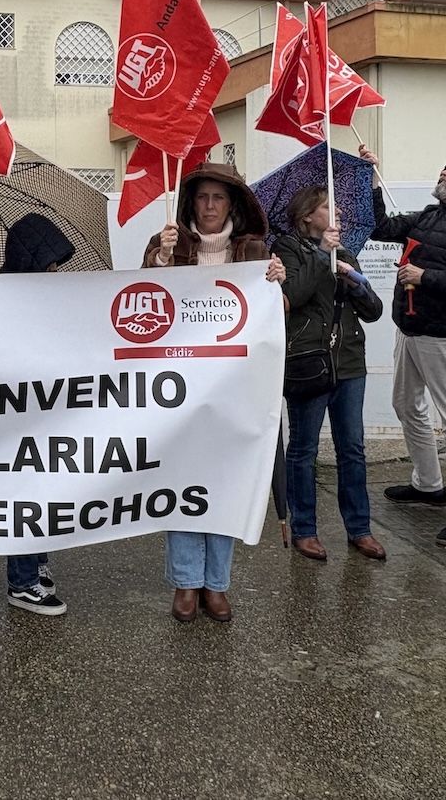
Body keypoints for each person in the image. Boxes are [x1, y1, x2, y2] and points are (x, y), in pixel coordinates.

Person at [142, 164, 286, 623]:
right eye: (202, 197)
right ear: (190, 203)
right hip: (179, 391)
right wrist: (160, 264)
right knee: (183, 482)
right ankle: (185, 583)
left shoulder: (255, 251)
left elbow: (275, 318)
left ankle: (216, 584)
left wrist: (276, 286)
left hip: (235, 390)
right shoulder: (165, 244)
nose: (208, 206)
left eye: (218, 199)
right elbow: (141, 304)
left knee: (225, 484)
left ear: (232, 205)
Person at [360, 148, 446, 547]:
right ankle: (428, 485)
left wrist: (425, 276)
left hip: (445, 335)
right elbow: (381, 227)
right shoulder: (428, 215)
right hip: (409, 328)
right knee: (407, 407)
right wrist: (373, 178)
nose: (444, 171)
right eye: (445, 166)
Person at [274, 188, 387, 563]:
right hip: (309, 361)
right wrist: (322, 254)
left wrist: (354, 278)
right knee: (304, 449)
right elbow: (294, 294)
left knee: (352, 448)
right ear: (307, 215)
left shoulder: (346, 250)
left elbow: (373, 311)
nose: (335, 210)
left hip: (350, 362)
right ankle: (305, 528)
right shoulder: (287, 248)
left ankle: (360, 528)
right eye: (326, 206)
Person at [0, 212, 75, 616]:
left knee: (39, 493)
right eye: (48, 263)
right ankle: (22, 581)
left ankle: (35, 564)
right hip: (14, 417)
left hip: (41, 412)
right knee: (23, 496)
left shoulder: (38, 295)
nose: (55, 271)